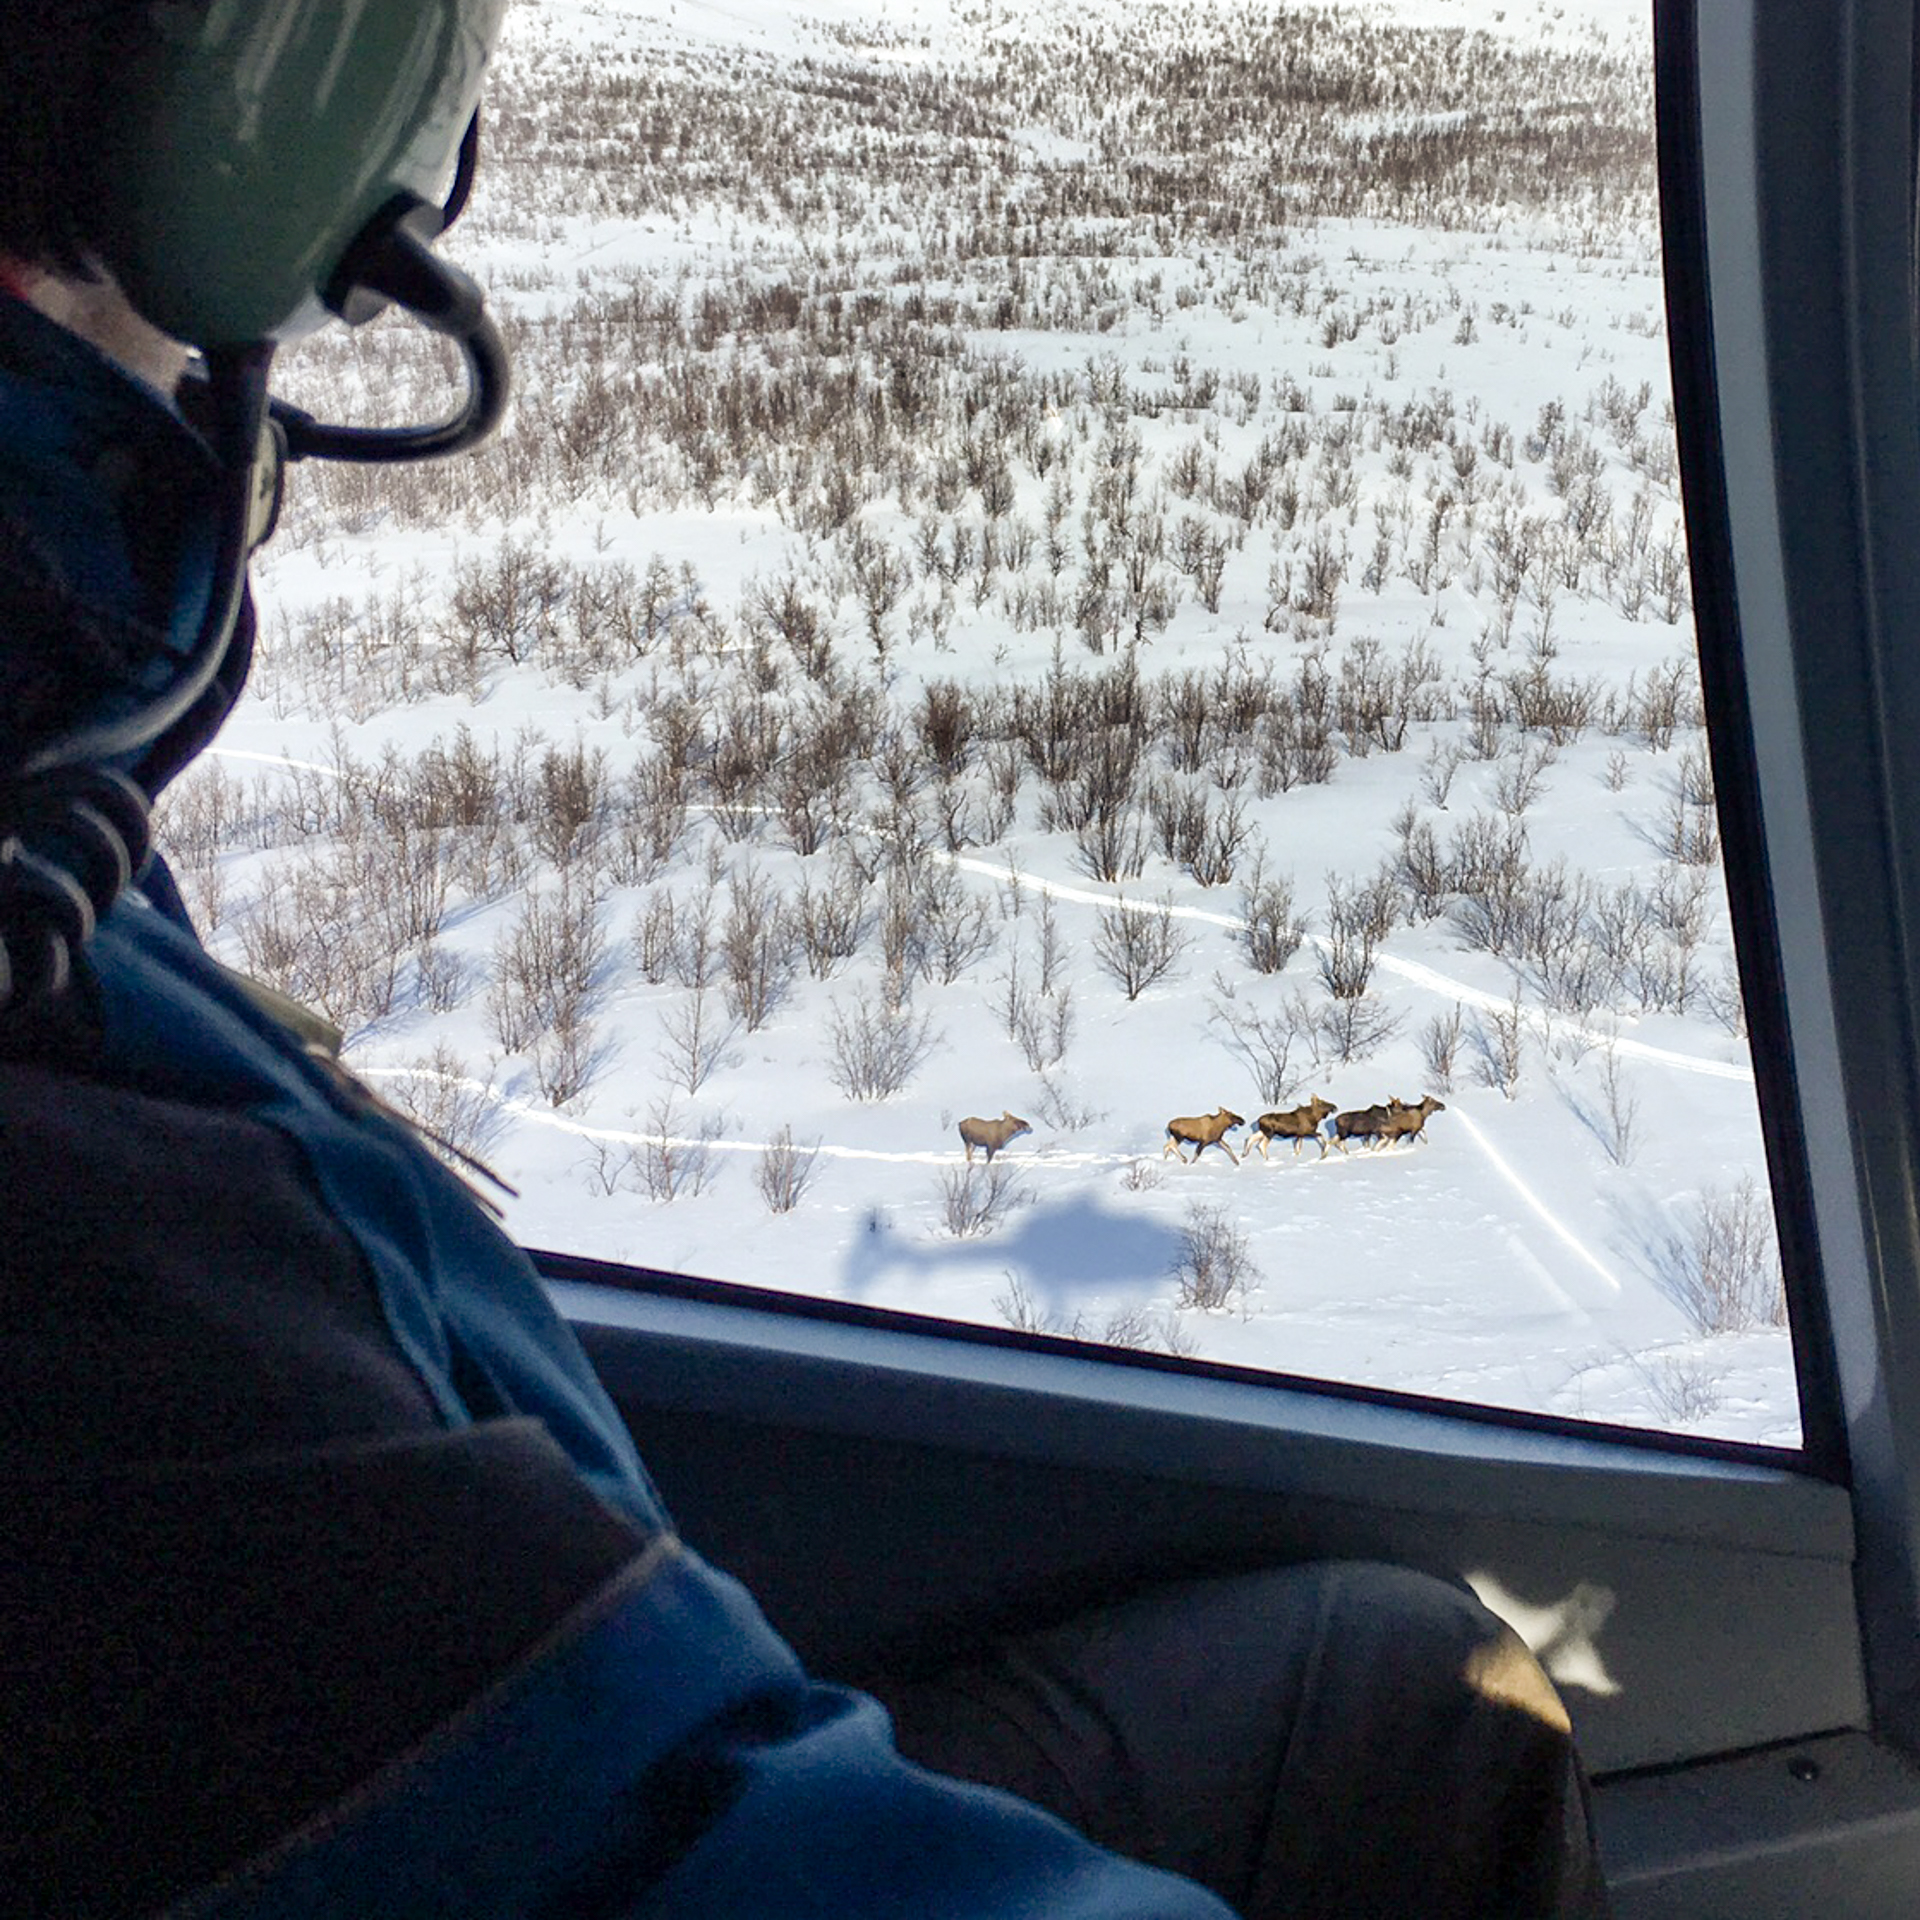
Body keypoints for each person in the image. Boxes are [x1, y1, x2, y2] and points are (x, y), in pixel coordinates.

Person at [0, 5, 1610, 1915]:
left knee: (1413, 1692)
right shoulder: (117, 1230)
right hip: (555, 1793)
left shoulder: (56, 845)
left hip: (564, 1731)